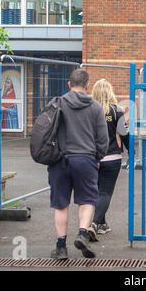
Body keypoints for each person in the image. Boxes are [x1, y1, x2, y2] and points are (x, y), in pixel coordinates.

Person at [48, 69, 108, 260]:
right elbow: (103, 140)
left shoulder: (57, 104)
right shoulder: (96, 108)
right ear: (87, 85)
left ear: (69, 84)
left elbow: (48, 131)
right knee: (88, 200)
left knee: (60, 205)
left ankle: (61, 247)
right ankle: (82, 233)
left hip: (60, 159)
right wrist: (96, 158)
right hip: (86, 159)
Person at [87, 79, 129, 240]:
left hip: (92, 158)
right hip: (112, 157)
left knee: (97, 192)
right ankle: (95, 224)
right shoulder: (116, 111)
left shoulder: (89, 111)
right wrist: (131, 151)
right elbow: (124, 135)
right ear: (110, 91)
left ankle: (102, 224)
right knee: (105, 192)